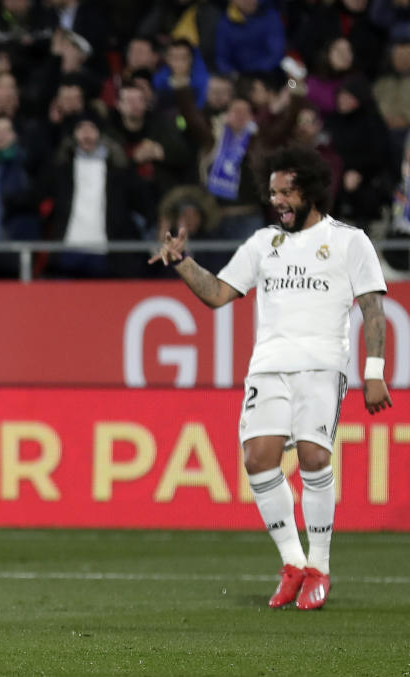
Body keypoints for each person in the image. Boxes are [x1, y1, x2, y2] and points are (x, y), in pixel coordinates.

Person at [148, 145, 392, 610]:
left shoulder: (348, 240)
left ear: (311, 191)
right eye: (273, 192)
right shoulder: (264, 244)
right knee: (259, 460)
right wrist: (182, 262)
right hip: (268, 366)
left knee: (314, 454)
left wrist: (374, 372)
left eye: (287, 192)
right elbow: (219, 293)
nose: (277, 200)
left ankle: (320, 567)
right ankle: (293, 563)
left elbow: (372, 309)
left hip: (322, 364)